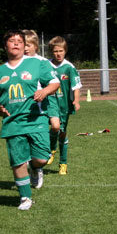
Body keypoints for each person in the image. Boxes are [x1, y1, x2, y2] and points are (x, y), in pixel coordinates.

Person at [0, 30, 59, 210]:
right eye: (11, 41)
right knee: (17, 162)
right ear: (5, 46)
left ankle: (34, 167)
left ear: (25, 46)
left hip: (36, 118)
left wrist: (44, 91)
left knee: (42, 158)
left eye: (19, 41)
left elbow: (54, 83)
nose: (16, 43)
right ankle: (25, 198)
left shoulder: (36, 64)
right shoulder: (0, 70)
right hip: (12, 122)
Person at [23, 29, 59, 188]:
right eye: (22, 45)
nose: (25, 48)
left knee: (55, 128)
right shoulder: (14, 63)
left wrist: (44, 91)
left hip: (43, 106)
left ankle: (37, 165)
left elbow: (54, 83)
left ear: (36, 46)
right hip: (21, 111)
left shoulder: (41, 62)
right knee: (22, 150)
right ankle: (24, 193)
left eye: (28, 45)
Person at [47, 36, 82, 175]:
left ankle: (63, 163)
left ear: (65, 51)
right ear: (51, 52)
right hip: (50, 102)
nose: (58, 54)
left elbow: (76, 86)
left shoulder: (69, 67)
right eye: (55, 51)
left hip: (65, 104)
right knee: (55, 126)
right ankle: (50, 149)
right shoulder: (47, 65)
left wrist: (76, 100)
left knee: (62, 133)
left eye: (61, 51)